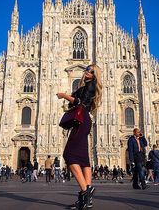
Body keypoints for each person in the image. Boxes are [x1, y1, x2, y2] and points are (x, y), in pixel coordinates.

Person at [57, 64, 102, 210]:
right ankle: (86, 200)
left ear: (94, 74)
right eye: (86, 69)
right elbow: (77, 100)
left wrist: (64, 96)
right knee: (83, 159)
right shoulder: (86, 85)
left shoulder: (91, 86)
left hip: (82, 120)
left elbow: (79, 102)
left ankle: (85, 191)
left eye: (89, 70)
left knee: (69, 155)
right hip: (84, 120)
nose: (86, 71)